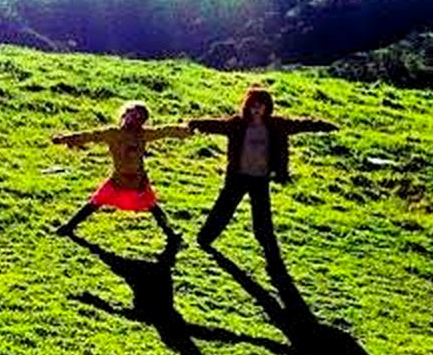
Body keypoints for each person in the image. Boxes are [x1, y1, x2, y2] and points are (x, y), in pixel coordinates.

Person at [188, 87, 337, 253]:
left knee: (262, 217)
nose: (256, 109)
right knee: (223, 208)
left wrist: (325, 126)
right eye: (253, 105)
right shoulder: (237, 124)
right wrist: (194, 124)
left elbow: (301, 125)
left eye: (260, 105)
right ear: (247, 107)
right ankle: (204, 239)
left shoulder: (276, 125)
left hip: (260, 178)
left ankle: (268, 247)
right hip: (238, 176)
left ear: (267, 107)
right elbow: (215, 125)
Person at [51, 101, 190, 241]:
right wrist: (65, 139)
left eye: (140, 119)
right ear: (126, 114)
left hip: (139, 181)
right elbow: (90, 135)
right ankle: (69, 227)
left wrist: (184, 130)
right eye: (134, 115)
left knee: (153, 207)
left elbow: (164, 131)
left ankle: (171, 235)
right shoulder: (113, 133)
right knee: (94, 202)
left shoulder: (143, 134)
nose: (136, 120)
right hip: (118, 180)